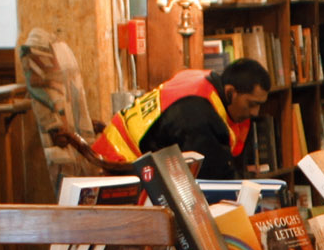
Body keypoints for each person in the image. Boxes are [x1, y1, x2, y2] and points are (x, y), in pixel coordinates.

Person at [86, 57, 273, 181]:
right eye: (251, 104)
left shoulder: (203, 80)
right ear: (231, 92)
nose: (256, 113)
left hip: (114, 151)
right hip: (121, 168)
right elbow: (215, 180)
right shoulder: (199, 115)